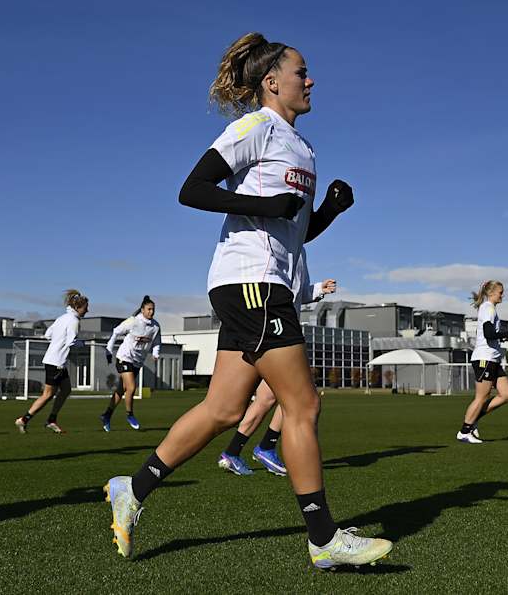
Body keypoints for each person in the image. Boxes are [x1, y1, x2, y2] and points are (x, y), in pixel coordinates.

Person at [104, 32, 391, 569]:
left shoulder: (303, 148)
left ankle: (132, 488)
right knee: (303, 405)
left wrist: (329, 211)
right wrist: (262, 204)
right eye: (301, 72)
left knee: (223, 409)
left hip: (263, 283)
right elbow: (192, 189)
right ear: (272, 82)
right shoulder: (255, 127)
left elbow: (294, 230)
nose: (311, 80)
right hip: (251, 281)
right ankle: (323, 538)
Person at [218, 278, 337, 476]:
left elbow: (294, 291)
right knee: (297, 395)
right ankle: (264, 447)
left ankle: (235, 451)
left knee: (268, 397)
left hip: (275, 324)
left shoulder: (297, 258)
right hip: (271, 326)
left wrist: (318, 289)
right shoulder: (269, 259)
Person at [456, 280, 508, 443]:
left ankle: (473, 420)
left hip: (493, 359)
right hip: (484, 359)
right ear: (491, 293)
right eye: (500, 292)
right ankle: (464, 432)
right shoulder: (488, 308)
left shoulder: (490, 308)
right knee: (482, 397)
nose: (502, 295)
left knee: (506, 394)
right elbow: (489, 334)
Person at [17, 290, 88, 434]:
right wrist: (82, 343)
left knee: (66, 390)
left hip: (55, 361)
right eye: (85, 307)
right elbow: (71, 342)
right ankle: (23, 419)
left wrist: (58, 341)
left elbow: (48, 334)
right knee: (48, 395)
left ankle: (51, 419)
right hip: (56, 362)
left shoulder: (62, 318)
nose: (87, 310)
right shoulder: (74, 321)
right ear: (77, 307)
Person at [101, 296, 161, 432]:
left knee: (121, 390)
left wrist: (156, 353)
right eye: (149, 309)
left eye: (153, 309)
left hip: (137, 362)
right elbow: (116, 331)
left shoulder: (156, 326)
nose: (151, 312)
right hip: (124, 357)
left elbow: (157, 342)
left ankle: (106, 415)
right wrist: (109, 349)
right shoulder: (133, 321)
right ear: (142, 310)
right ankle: (130, 415)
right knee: (131, 387)